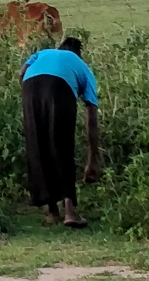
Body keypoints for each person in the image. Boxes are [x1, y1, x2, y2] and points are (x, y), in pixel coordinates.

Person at [20, 37, 99, 228]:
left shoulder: (44, 53)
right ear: (79, 54)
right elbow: (92, 118)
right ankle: (70, 212)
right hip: (59, 88)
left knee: (38, 145)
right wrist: (93, 159)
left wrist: (29, 95)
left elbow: (22, 71)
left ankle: (52, 212)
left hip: (30, 85)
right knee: (62, 146)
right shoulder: (82, 67)